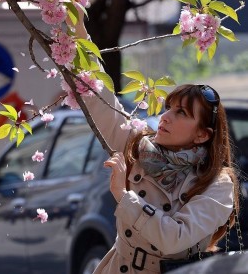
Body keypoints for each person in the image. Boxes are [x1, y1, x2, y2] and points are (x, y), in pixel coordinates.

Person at [73, 16, 240, 274]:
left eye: (181, 113)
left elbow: (174, 238)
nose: (166, 117)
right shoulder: (139, 147)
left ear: (202, 135)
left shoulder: (217, 183)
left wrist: (124, 196)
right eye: (168, 108)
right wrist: (77, 25)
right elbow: (98, 98)